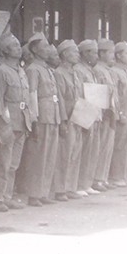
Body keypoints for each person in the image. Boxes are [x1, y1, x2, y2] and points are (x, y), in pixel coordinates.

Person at [0, 33, 31, 212]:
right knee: (2, 162)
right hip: (8, 122)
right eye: (14, 46)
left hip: (21, 121)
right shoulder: (2, 71)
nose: (18, 48)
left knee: (13, 163)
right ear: (5, 50)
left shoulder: (21, 71)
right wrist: (1, 122)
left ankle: (7, 195)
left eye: (18, 45)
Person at [20, 33, 60, 206]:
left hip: (52, 115)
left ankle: (43, 192)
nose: (48, 49)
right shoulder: (33, 70)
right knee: (38, 156)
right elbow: (32, 95)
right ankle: (34, 194)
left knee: (49, 155)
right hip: (42, 116)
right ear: (35, 50)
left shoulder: (47, 69)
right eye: (44, 47)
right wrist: (34, 119)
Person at [53, 40, 82, 199]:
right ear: (64, 54)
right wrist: (63, 121)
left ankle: (71, 187)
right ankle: (60, 189)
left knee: (75, 152)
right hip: (67, 117)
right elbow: (61, 99)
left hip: (77, 116)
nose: (77, 54)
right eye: (74, 51)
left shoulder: (75, 73)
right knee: (64, 153)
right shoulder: (59, 73)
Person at [75, 39, 101, 195]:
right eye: (94, 53)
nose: (97, 56)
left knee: (91, 151)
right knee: (83, 151)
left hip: (93, 112)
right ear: (85, 54)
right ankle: (79, 184)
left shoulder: (90, 70)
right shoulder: (79, 70)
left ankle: (86, 183)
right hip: (85, 113)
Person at [109, 42, 127, 186]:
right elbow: (116, 95)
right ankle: (117, 176)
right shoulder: (115, 72)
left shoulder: (126, 72)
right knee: (120, 145)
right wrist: (120, 113)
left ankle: (125, 175)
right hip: (123, 113)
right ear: (118, 55)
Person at [92, 39, 117, 192]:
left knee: (107, 147)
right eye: (110, 53)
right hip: (103, 113)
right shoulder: (98, 70)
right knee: (101, 147)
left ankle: (102, 178)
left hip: (110, 111)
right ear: (102, 54)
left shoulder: (107, 70)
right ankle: (96, 179)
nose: (113, 55)